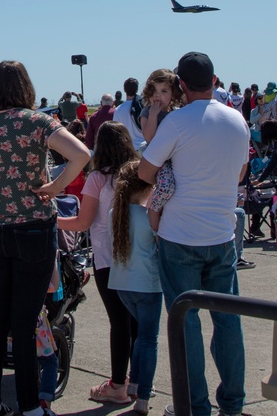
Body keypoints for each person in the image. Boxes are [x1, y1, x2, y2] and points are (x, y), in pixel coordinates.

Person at [0, 60, 89, 416]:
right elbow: (81, 155)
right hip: (32, 228)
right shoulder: (36, 122)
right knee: (24, 323)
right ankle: (30, 406)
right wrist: (53, 188)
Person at [138, 51, 250, 416]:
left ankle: (195, 406)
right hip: (221, 234)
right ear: (214, 80)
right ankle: (232, 403)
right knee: (227, 321)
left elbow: (144, 171)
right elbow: (239, 175)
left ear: (181, 86)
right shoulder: (237, 120)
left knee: (186, 324)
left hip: (180, 235)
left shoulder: (177, 122)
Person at [59, 122, 139, 405]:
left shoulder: (98, 179)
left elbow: (83, 222)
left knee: (119, 322)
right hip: (139, 257)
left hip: (108, 257)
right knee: (138, 323)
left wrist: (52, 219)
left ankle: (118, 384)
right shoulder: (139, 173)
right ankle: (140, 381)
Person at [109, 160, 161, 415]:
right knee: (149, 339)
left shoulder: (115, 215)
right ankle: (142, 395)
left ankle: (135, 384)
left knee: (141, 337)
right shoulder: (147, 217)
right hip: (148, 284)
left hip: (122, 284)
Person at [113, 77, 146, 150]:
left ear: (124, 89)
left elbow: (117, 132)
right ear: (137, 89)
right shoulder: (143, 106)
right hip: (144, 146)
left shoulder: (118, 110)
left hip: (129, 148)